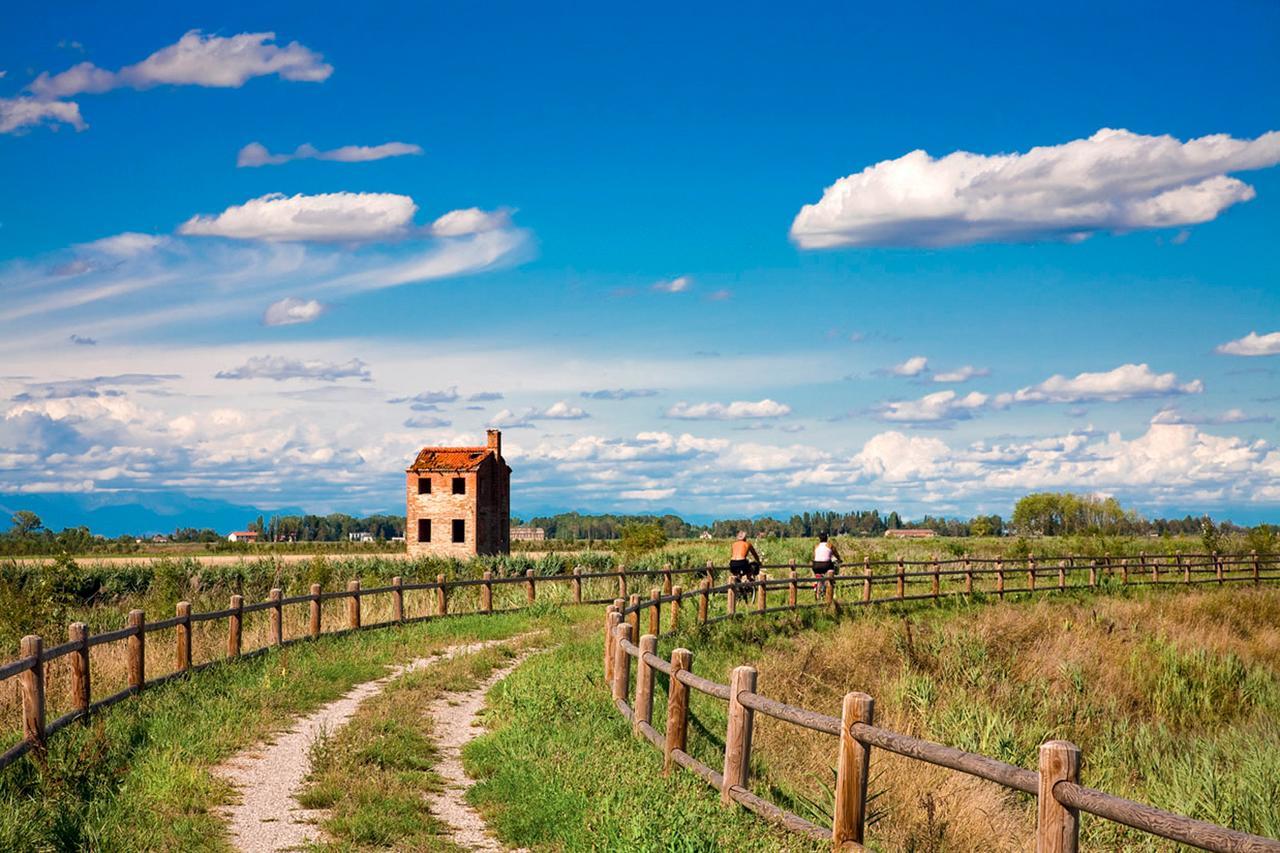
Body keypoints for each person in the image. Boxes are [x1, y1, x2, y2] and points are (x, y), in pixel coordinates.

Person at [729, 531, 761, 595]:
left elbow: (733, 554)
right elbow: (754, 554)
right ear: (745, 538)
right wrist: (758, 562)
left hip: (732, 563)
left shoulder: (733, 544)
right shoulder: (748, 544)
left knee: (738, 575)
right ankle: (748, 579)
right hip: (742, 562)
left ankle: (739, 584)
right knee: (751, 567)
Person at [812, 533, 841, 599]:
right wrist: (839, 559)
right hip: (826, 565)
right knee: (831, 570)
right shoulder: (830, 545)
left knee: (818, 575)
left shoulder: (816, 546)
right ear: (827, 538)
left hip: (816, 565)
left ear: (819, 539)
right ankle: (831, 583)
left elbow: (814, 556)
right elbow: (836, 554)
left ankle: (816, 586)